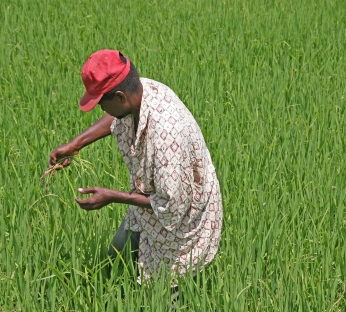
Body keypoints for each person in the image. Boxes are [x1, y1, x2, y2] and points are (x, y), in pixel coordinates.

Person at [48, 49, 222, 286]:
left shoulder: (167, 134)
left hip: (182, 214)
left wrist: (112, 197)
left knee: (166, 286)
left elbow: (170, 205)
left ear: (120, 97)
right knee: (117, 259)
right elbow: (117, 117)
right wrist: (76, 144)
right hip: (149, 199)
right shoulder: (140, 91)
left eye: (102, 103)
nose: (101, 110)